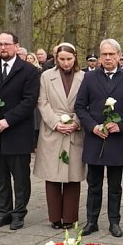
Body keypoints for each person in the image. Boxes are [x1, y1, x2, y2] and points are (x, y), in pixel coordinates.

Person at [75, 39, 123, 237]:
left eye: (111, 54)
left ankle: (115, 222)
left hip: (116, 139)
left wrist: (121, 125)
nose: (107, 58)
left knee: (115, 185)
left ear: (119, 56)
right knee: (93, 184)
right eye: (103, 54)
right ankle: (92, 221)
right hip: (95, 137)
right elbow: (80, 106)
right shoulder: (89, 78)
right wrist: (92, 126)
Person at [0, 31, 41, 231]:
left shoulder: (29, 71)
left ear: (16, 46)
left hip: (17, 132)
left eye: (7, 44)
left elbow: (29, 101)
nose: (3, 47)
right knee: (0, 177)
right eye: (0, 44)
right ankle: (3, 212)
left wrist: (7, 121)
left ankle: (18, 213)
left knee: (20, 177)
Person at [32, 43, 85, 229]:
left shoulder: (83, 77)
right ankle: (55, 217)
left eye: (69, 59)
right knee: (52, 175)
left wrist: (76, 122)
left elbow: (86, 102)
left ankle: (70, 217)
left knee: (73, 175)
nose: (66, 63)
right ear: (56, 59)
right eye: (62, 59)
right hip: (52, 129)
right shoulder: (46, 76)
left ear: (75, 58)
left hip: (75, 129)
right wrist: (55, 123)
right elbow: (42, 102)